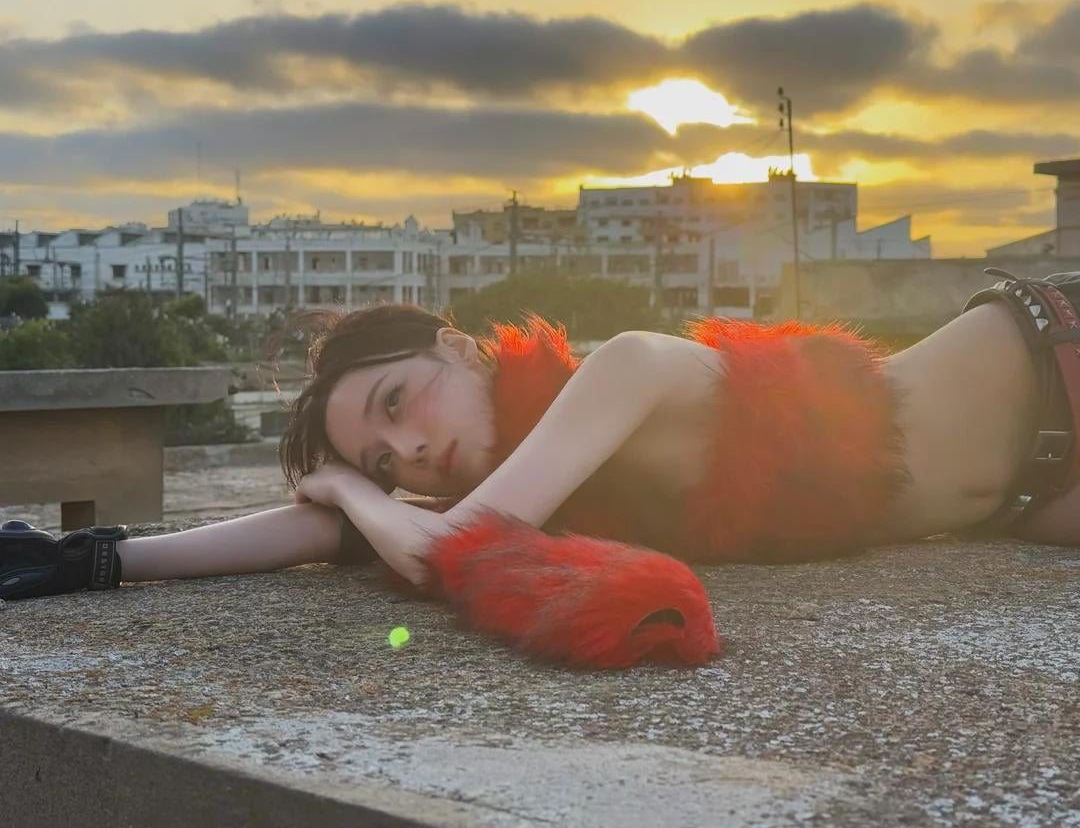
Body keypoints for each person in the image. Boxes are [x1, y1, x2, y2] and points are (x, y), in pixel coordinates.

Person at [5, 268, 1080, 667]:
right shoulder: (573, 492)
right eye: (385, 459)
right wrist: (100, 559)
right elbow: (340, 538)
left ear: (460, 346)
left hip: (1050, 361)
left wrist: (349, 485)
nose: (409, 452)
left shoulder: (627, 369)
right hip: (1033, 499)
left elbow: (445, 546)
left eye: (399, 403)